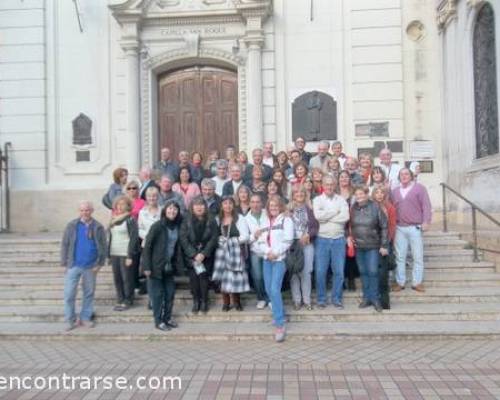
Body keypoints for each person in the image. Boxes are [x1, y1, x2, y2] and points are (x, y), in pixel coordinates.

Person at [61, 201, 107, 331]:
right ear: (79, 211)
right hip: (73, 265)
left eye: (87, 210)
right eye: (82, 210)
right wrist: (64, 263)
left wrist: (100, 264)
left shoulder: (98, 226)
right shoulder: (72, 225)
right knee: (69, 293)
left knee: (89, 293)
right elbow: (65, 244)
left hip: (91, 266)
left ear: (91, 211)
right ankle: (70, 320)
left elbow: (103, 246)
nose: (85, 212)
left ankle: (85, 318)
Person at [254, 195, 294, 342]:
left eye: (276, 206)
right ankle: (281, 313)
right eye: (271, 206)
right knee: (268, 289)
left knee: (275, 289)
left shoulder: (286, 220)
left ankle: (279, 325)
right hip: (267, 259)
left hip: (280, 260)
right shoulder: (265, 221)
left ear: (281, 206)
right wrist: (267, 252)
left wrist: (275, 253)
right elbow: (260, 240)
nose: (273, 208)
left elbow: (288, 240)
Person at [142, 200, 183, 331]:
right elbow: (147, 247)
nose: (172, 211)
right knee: (158, 295)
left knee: (170, 293)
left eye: (175, 209)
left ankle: (167, 318)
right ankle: (158, 321)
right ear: (165, 210)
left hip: (169, 267)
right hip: (155, 266)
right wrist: (146, 266)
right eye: (170, 208)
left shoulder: (177, 226)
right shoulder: (157, 226)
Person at [348, 185, 389, 312]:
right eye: (357, 194)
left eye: (362, 194)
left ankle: (375, 298)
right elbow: (348, 225)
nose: (359, 196)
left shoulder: (375, 207)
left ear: (366, 194)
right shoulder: (353, 208)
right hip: (359, 246)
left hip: (373, 245)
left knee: (373, 272)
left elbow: (384, 226)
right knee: (363, 273)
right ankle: (366, 298)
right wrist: (348, 236)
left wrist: (384, 245)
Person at [391, 168, 432, 292]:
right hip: (400, 228)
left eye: (406, 174)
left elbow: (426, 206)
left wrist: (426, 221)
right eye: (401, 174)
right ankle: (400, 282)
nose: (404, 176)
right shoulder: (395, 191)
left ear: (411, 176)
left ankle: (417, 282)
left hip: (415, 227)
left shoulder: (419, 188)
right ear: (399, 177)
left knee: (417, 256)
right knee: (400, 256)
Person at [313, 175, 350, 309]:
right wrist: (335, 211)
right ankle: (321, 299)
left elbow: (345, 217)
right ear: (323, 185)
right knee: (321, 271)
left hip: (339, 240)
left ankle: (336, 298)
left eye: (331, 184)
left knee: (339, 271)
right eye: (327, 184)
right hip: (322, 240)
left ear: (335, 185)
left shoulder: (341, 200)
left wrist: (326, 217)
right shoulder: (317, 200)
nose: (329, 187)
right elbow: (318, 216)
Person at [179, 196, 219, 314]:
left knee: (204, 279)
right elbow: (183, 239)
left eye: (201, 205)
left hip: (206, 255)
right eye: (196, 205)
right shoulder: (186, 220)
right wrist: (194, 254)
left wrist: (204, 254)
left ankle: (204, 301)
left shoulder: (211, 220)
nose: (199, 207)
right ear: (192, 207)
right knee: (194, 280)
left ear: (205, 207)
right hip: (192, 256)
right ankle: (196, 301)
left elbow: (214, 238)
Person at [212, 196, 250, 311]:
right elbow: (214, 235)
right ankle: (226, 302)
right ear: (222, 206)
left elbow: (245, 236)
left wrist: (232, 241)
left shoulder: (239, 218)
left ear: (233, 205)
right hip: (222, 251)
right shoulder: (217, 219)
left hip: (236, 251)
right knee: (224, 277)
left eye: (230, 203)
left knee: (235, 276)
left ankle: (237, 301)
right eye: (225, 203)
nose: (227, 206)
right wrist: (220, 240)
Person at [289, 186, 319, 311]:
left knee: (306, 272)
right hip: (292, 245)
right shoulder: (287, 209)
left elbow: (315, 227)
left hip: (307, 243)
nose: (299, 193)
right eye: (297, 191)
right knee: (294, 273)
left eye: (302, 191)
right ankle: (297, 300)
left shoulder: (310, 209)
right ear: (293, 194)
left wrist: (308, 234)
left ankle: (306, 300)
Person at [108, 195, 140, 311]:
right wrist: (108, 254)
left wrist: (130, 255)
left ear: (128, 206)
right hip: (114, 252)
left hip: (125, 252)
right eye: (118, 204)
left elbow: (133, 238)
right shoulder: (113, 219)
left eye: (123, 204)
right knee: (117, 278)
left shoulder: (130, 219)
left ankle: (128, 300)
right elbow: (110, 237)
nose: (120, 206)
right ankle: (120, 299)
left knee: (127, 278)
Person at [372, 186, 397, 309]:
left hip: (384, 245)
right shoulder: (370, 207)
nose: (379, 195)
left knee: (383, 274)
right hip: (372, 244)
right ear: (373, 194)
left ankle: (385, 302)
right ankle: (374, 298)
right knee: (373, 272)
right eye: (377, 192)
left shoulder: (389, 207)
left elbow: (392, 226)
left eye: (382, 192)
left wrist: (386, 243)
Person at [245, 193, 270, 309]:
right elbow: (245, 238)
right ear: (249, 204)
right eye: (253, 202)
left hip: (269, 250)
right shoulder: (246, 218)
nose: (255, 205)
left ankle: (270, 299)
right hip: (255, 251)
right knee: (258, 277)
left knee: (268, 276)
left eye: (258, 202)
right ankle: (261, 298)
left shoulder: (268, 213)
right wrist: (253, 236)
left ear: (262, 203)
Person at [338, 170, 358, 291]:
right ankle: (342, 280)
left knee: (350, 254)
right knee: (340, 255)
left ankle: (351, 279)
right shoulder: (335, 193)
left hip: (351, 225)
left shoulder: (354, 193)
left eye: (346, 177)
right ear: (338, 179)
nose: (344, 179)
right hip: (339, 226)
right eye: (341, 177)